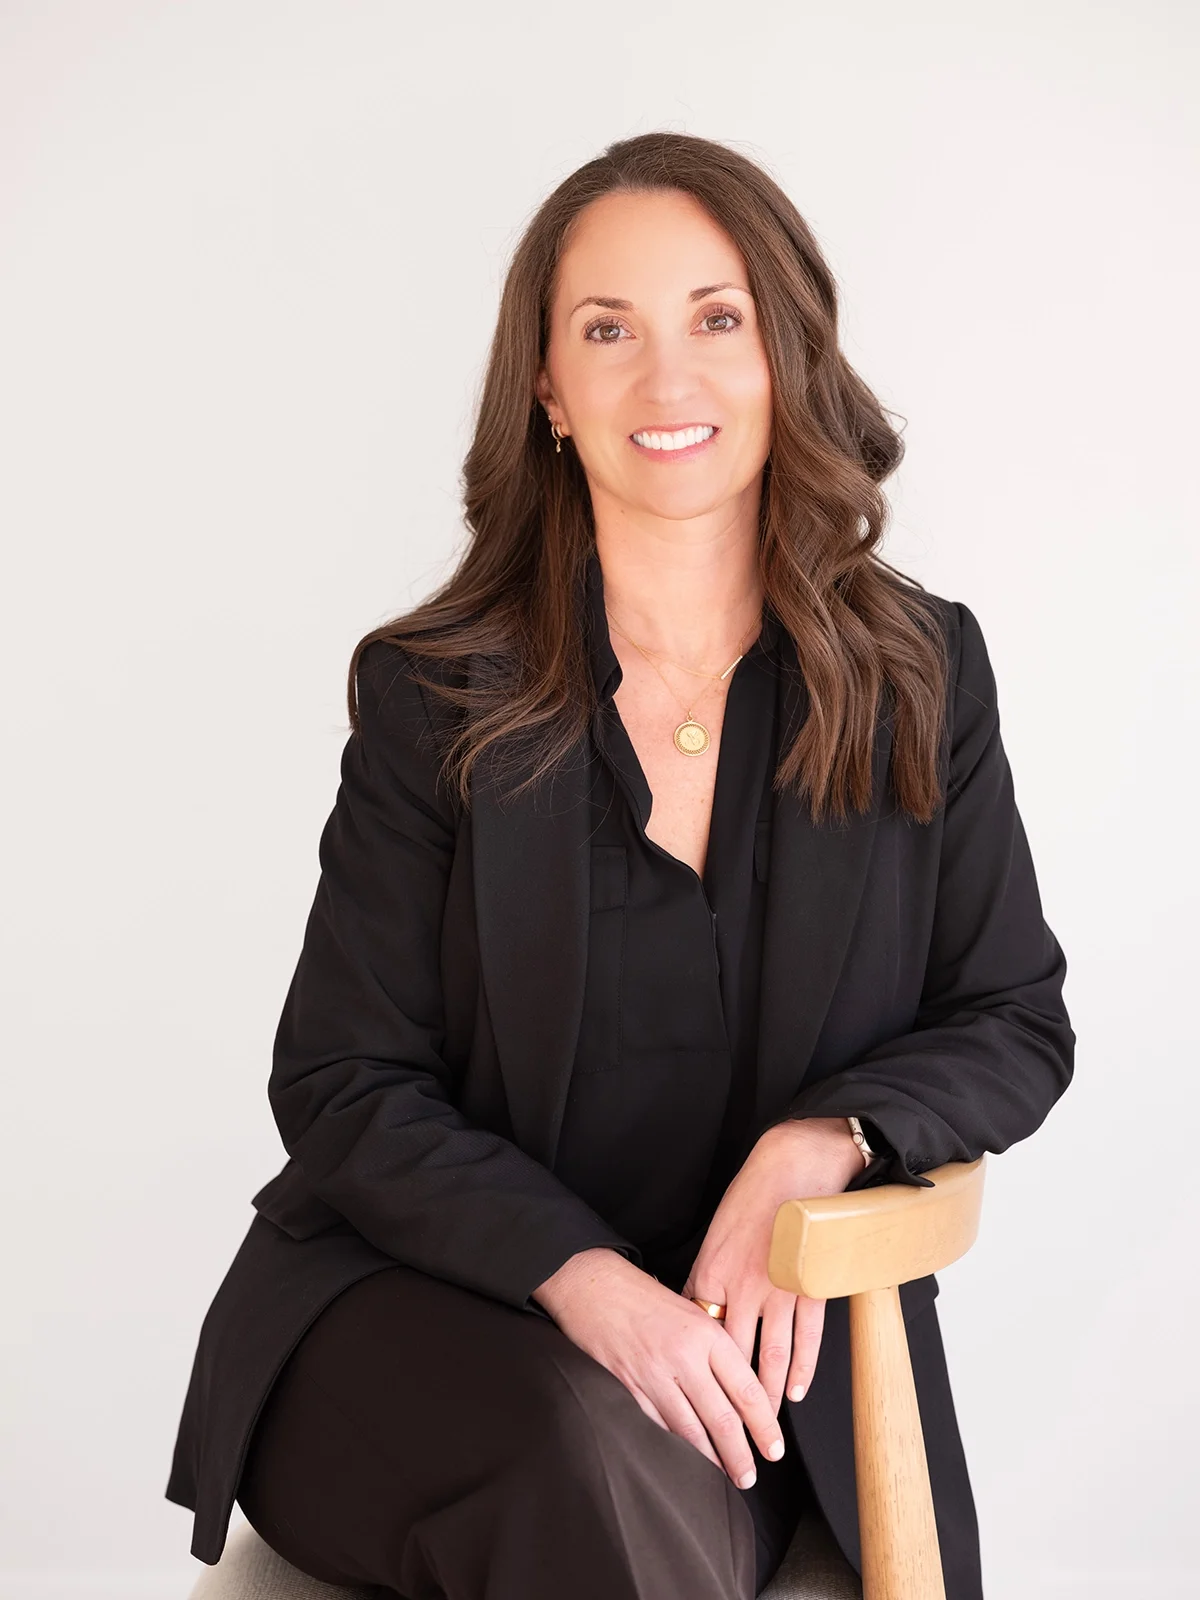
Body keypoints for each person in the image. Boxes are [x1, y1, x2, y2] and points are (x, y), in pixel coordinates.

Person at [164, 130, 1075, 1600]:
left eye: (718, 319)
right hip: (425, 1326)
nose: (669, 381)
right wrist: (588, 1289)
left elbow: (1013, 1018)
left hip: (759, 1376)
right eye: (608, 331)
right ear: (546, 387)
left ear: (786, 352)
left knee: (630, 1481)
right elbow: (344, 1080)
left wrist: (825, 1141)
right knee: (571, 1446)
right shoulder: (434, 693)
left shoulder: (919, 676)